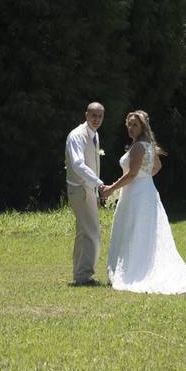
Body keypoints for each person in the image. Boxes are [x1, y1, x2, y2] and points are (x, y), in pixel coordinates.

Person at [104, 110, 186, 294]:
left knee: (134, 228)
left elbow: (132, 174)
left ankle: (135, 270)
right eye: (129, 125)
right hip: (146, 191)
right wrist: (145, 178)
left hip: (137, 193)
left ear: (143, 127)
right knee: (141, 229)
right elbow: (156, 167)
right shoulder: (148, 145)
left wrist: (111, 189)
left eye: (135, 125)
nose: (131, 128)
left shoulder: (139, 147)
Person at [65, 102, 109, 286]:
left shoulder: (95, 134)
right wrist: (99, 184)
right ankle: (84, 277)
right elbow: (77, 164)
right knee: (91, 232)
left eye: (100, 116)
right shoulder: (77, 135)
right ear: (86, 115)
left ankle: (80, 274)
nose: (96, 119)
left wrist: (96, 190)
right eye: (93, 115)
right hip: (80, 189)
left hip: (88, 189)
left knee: (85, 232)